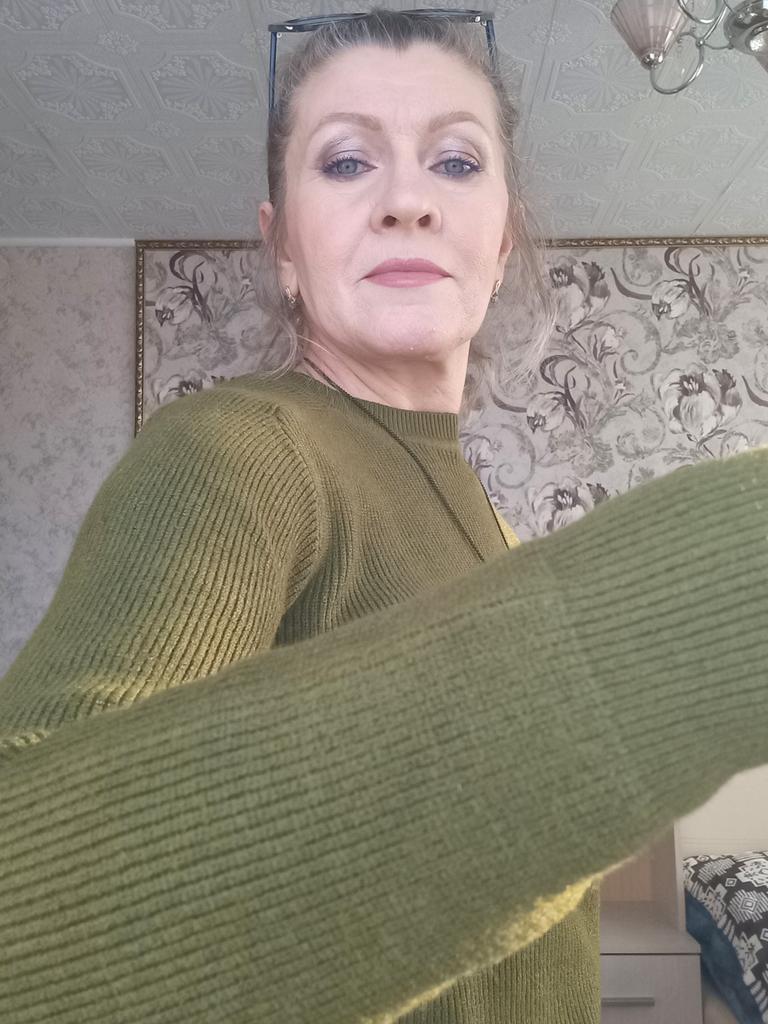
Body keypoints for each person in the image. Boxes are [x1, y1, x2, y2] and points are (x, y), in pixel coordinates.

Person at [1, 8, 767, 1024]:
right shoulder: (238, 450)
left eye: (455, 162)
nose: (407, 200)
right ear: (281, 245)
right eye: (346, 162)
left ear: (503, 239)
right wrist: (727, 581)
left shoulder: (492, 532)